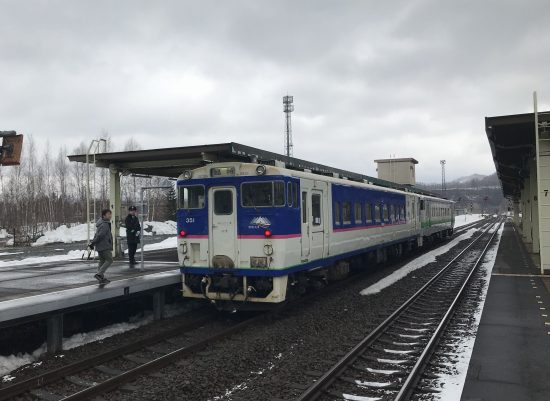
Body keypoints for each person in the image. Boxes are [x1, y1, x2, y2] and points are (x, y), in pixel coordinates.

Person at [89, 209, 113, 284]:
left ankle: (101, 277)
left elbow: (97, 235)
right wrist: (93, 243)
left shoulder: (101, 223)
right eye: (108, 214)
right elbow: (100, 235)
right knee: (109, 260)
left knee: (102, 261)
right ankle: (99, 274)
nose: (110, 215)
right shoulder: (105, 224)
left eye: (110, 214)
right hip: (104, 245)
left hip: (100, 246)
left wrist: (93, 243)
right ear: (104, 215)